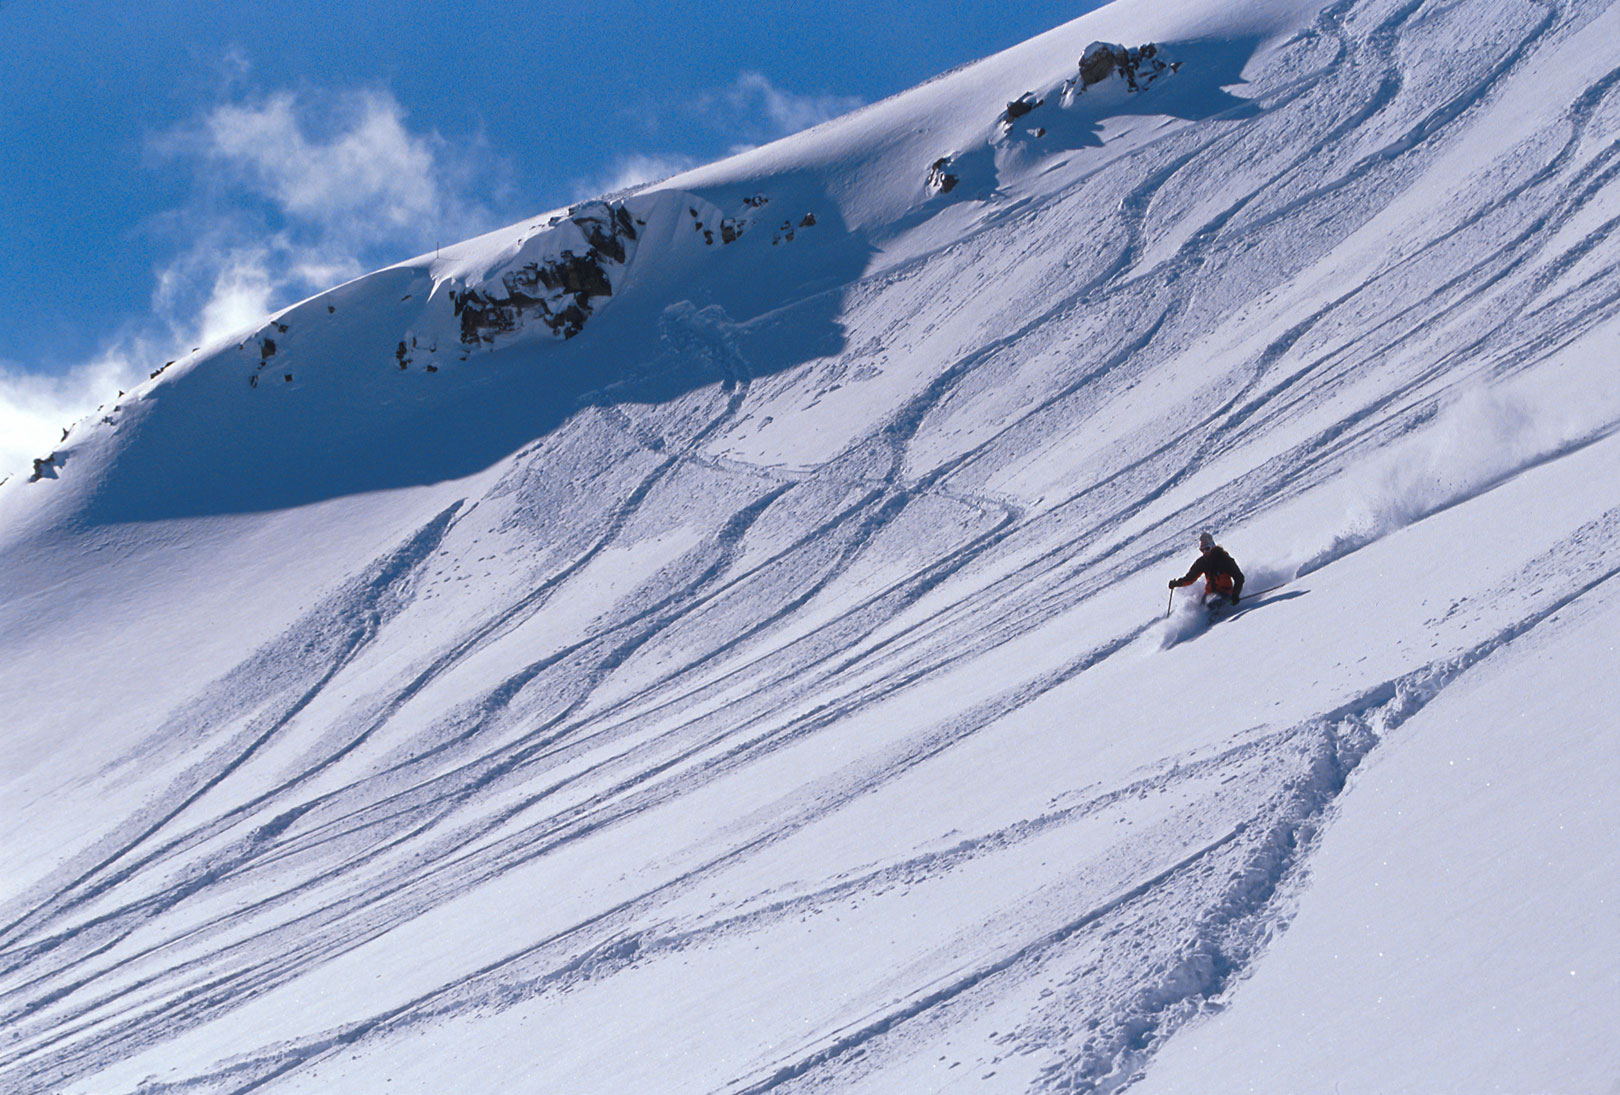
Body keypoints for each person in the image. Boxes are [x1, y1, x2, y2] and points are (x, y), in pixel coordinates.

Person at [1169, 531, 1244, 605]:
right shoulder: (1202, 562)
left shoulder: (1224, 560)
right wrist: (1177, 583)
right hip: (1209, 594)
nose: (1205, 552)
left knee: (1212, 605)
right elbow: (1190, 578)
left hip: (1225, 593)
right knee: (1202, 607)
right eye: (1202, 550)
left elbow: (1239, 578)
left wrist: (1235, 594)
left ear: (1213, 546)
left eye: (1207, 548)